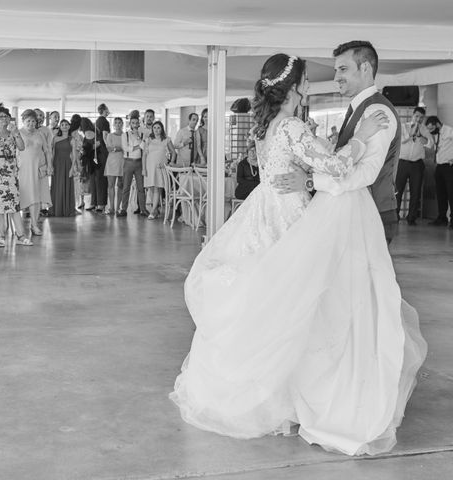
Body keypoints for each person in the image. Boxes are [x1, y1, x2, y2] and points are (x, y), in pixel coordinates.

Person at [170, 52, 426, 456]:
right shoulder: (292, 125)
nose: (318, 81)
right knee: (297, 305)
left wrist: (306, 174)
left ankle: (276, 396)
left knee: (274, 306)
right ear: (296, 87)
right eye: (308, 79)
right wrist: (361, 139)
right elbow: (339, 167)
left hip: (261, 212)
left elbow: (282, 169)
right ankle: (289, 398)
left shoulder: (268, 125)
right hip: (288, 217)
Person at [275, 41, 403, 245]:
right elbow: (347, 154)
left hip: (370, 214)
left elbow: (366, 172)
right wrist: (314, 142)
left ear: (366, 68)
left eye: (343, 69)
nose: (336, 78)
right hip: (350, 212)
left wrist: (310, 181)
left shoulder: (377, 112)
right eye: (336, 70)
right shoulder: (360, 108)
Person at [0, 103, 31, 246]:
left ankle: (20, 236)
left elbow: (22, 147)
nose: (4, 119)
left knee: (14, 205)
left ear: (9, 119)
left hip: (11, 171)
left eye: (6, 116)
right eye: (1, 117)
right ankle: (2, 236)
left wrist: (16, 134)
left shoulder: (13, 133)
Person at [17, 110, 52, 236]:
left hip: (39, 167)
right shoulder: (18, 133)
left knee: (37, 197)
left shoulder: (40, 133)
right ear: (23, 121)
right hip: (24, 169)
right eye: (28, 121)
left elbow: (47, 150)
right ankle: (18, 226)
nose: (31, 123)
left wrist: (49, 165)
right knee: (24, 195)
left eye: (33, 121)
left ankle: (34, 224)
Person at [396, 107, 433, 225]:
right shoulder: (403, 126)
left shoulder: (425, 130)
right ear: (412, 115)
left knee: (415, 192)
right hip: (402, 163)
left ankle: (411, 218)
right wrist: (411, 135)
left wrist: (422, 137)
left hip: (417, 164)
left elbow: (431, 144)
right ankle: (395, 215)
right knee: (398, 190)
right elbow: (400, 141)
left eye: (421, 117)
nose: (419, 119)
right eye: (417, 116)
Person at [142, 121, 176, 219]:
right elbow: (144, 155)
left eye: (158, 128)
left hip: (160, 167)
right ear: (152, 129)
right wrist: (143, 168)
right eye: (155, 128)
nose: (156, 130)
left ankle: (152, 211)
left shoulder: (166, 139)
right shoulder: (148, 140)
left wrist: (170, 163)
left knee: (157, 188)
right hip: (149, 167)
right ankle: (155, 209)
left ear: (162, 129)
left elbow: (173, 152)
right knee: (152, 189)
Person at [424, 116, 453, 227]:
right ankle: (442, 218)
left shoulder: (450, 131)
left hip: (449, 167)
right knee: (441, 194)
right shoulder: (435, 135)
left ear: (437, 124)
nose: (431, 131)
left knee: (451, 194)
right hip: (439, 167)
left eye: (431, 128)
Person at [50, 119, 76, 217]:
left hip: (67, 164)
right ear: (60, 127)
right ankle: (56, 209)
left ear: (69, 126)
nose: (64, 126)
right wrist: (51, 165)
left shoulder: (72, 139)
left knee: (67, 185)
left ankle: (67, 210)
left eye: (66, 124)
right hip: (57, 164)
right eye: (62, 124)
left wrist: (72, 168)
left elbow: (74, 155)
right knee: (56, 185)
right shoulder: (55, 138)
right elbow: (52, 153)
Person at [104, 117, 125, 215]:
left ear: (122, 124)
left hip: (123, 161)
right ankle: (111, 207)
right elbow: (109, 149)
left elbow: (126, 148)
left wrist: (116, 148)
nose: (118, 124)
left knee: (120, 185)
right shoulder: (110, 135)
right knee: (111, 185)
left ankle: (118, 208)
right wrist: (120, 148)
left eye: (119, 123)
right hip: (112, 162)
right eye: (116, 123)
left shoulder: (125, 135)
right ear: (113, 125)